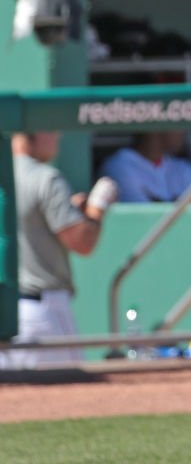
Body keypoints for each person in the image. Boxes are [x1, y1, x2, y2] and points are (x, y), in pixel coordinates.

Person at [7, 130, 118, 367]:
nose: (57, 135)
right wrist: (97, 207)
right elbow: (82, 242)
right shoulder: (45, 178)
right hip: (41, 313)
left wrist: (72, 209)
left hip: (6, 306)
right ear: (32, 133)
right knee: (70, 396)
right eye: (49, 129)